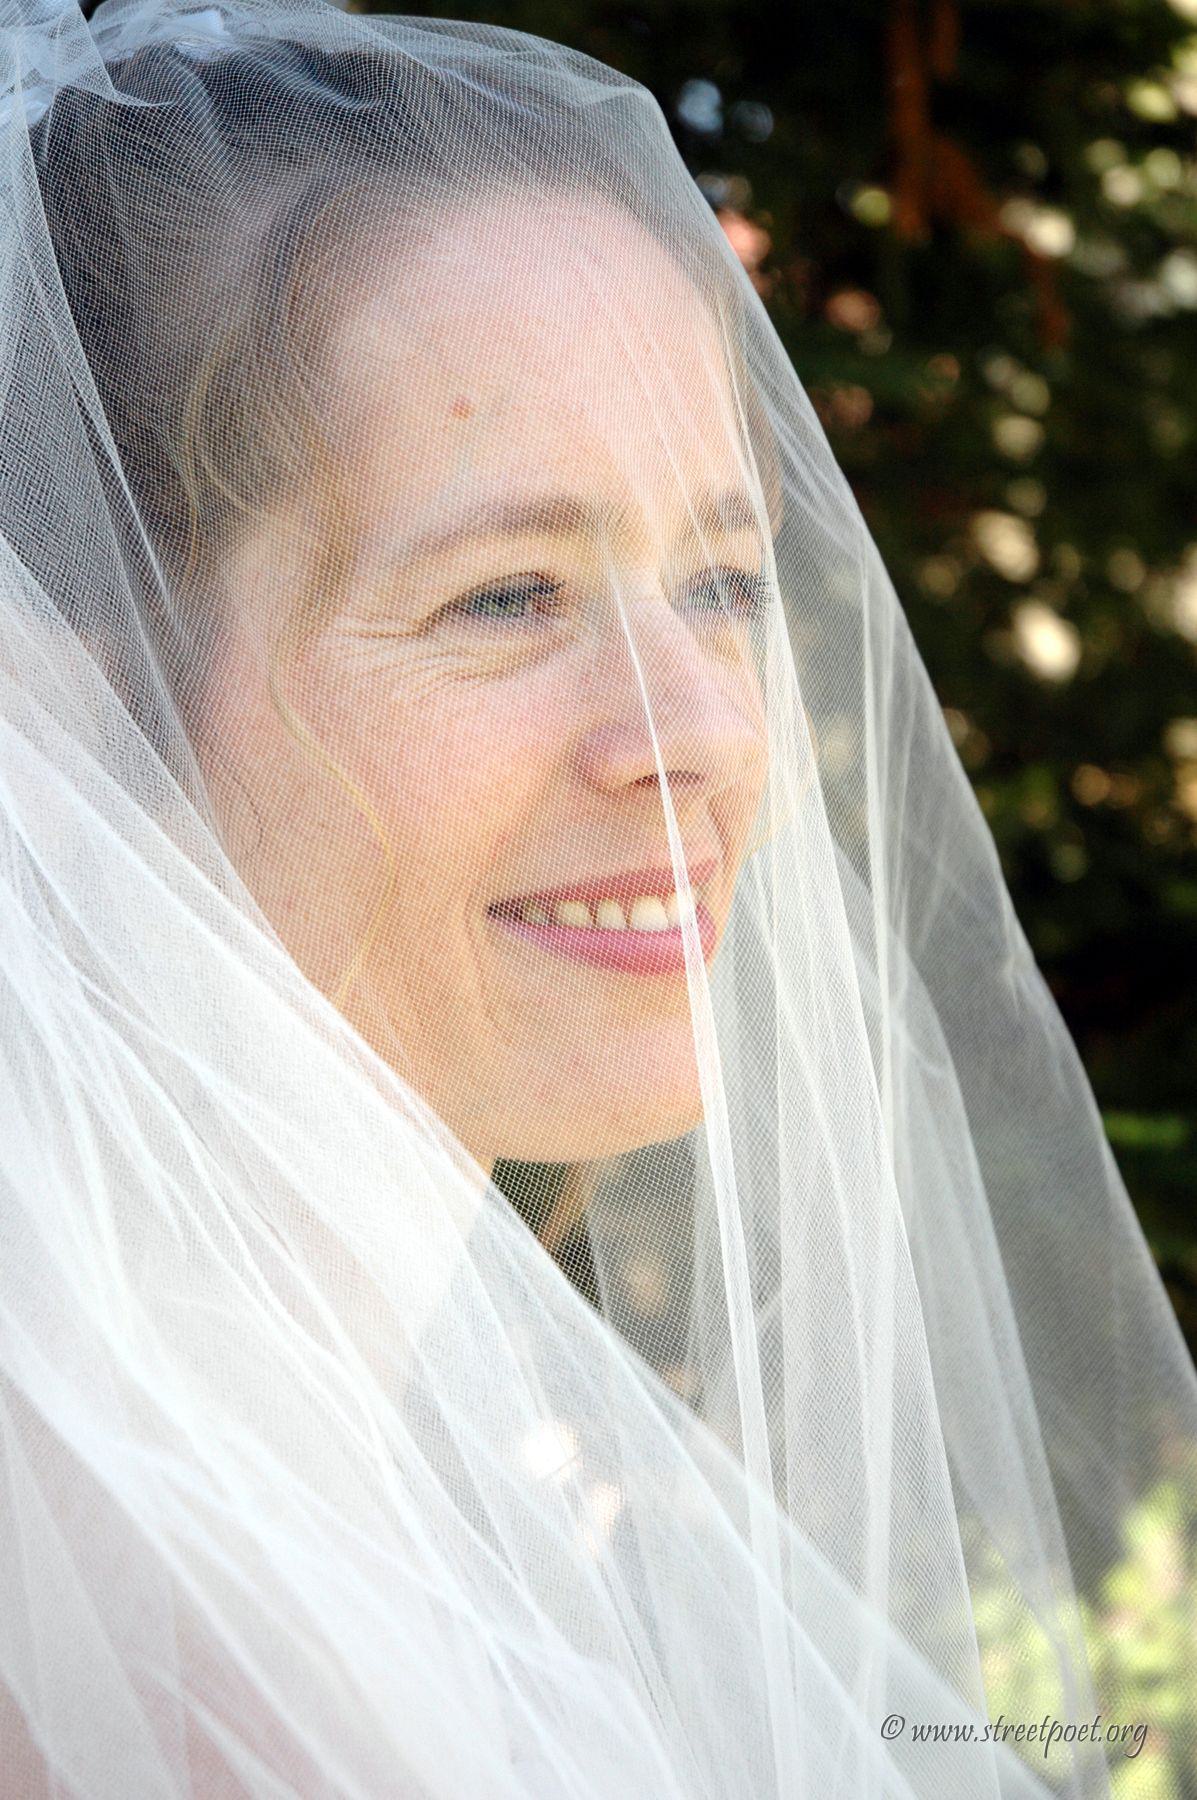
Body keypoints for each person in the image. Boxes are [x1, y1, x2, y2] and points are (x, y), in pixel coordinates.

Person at [0, 0, 1193, 1793]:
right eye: (506, 595)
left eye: (720, 582)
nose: (702, 730)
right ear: (67, 698)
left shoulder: (360, 1497)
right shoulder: (173, 1674)